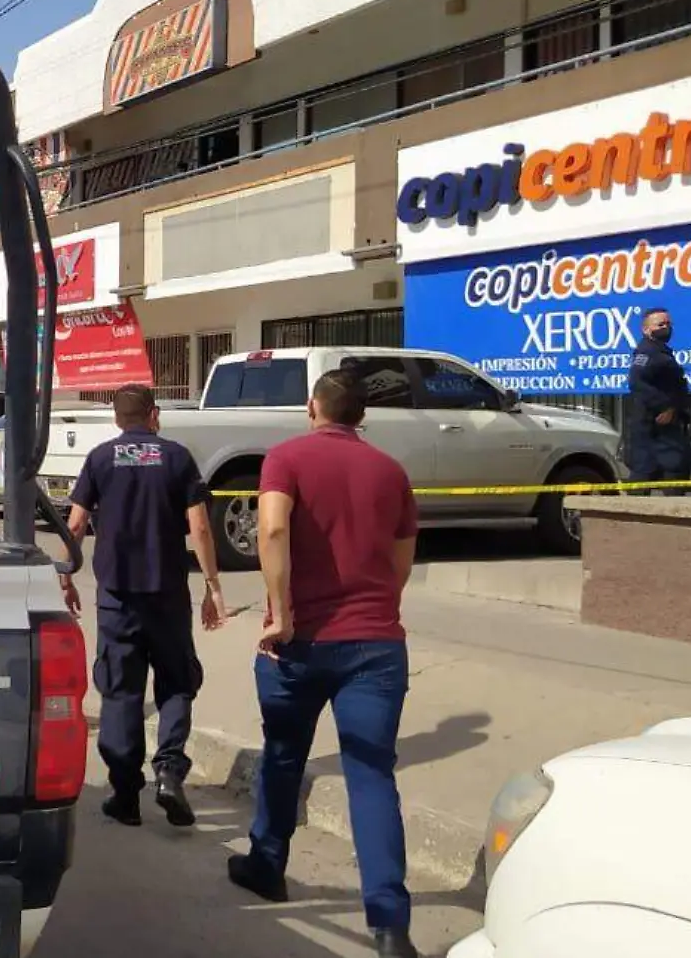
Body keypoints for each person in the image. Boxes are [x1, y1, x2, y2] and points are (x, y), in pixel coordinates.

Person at [232, 368, 420, 958]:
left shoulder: (285, 458)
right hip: (376, 645)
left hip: (299, 645)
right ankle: (390, 927)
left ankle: (268, 864)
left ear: (313, 406)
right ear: (360, 415)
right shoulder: (391, 471)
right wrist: (379, 610)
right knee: (372, 778)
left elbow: (272, 529)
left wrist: (282, 612)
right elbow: (401, 560)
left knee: (284, 757)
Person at [57, 384, 224, 828]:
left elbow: (75, 523)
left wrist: (65, 575)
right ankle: (169, 770)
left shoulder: (99, 458)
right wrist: (212, 585)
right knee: (175, 681)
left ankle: (126, 793)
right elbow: (201, 528)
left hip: (116, 597)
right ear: (154, 415)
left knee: (120, 689)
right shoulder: (176, 457)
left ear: (116, 419)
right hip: (167, 594)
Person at [626, 307, 691, 495]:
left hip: (665, 426)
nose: (666, 327)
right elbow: (636, 382)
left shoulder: (661, 352)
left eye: (668, 324)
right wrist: (665, 407)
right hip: (654, 425)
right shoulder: (647, 352)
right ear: (646, 330)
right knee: (650, 471)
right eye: (660, 324)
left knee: (672, 471)